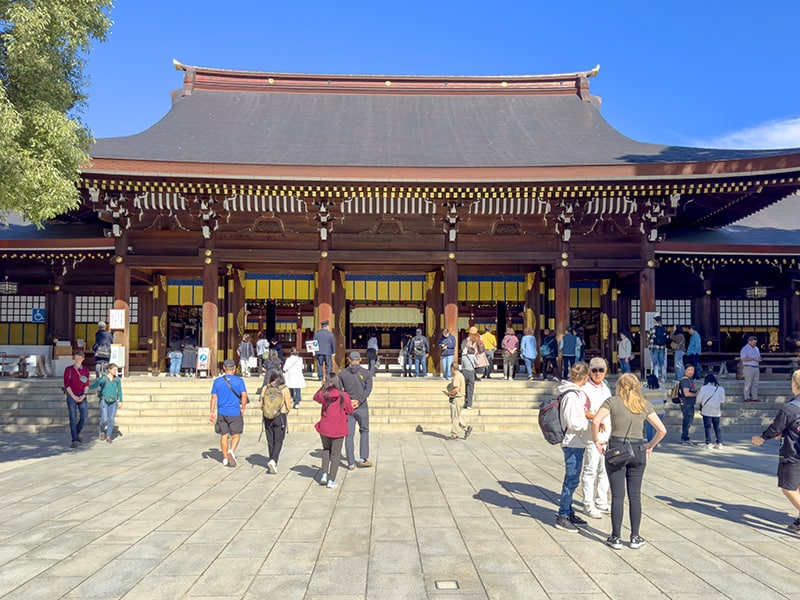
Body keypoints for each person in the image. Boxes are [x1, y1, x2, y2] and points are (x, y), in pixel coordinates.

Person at [592, 372, 667, 550]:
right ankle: (635, 536)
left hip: (617, 448)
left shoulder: (612, 401)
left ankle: (616, 537)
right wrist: (650, 445)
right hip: (639, 449)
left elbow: (596, 421)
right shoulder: (644, 404)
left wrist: (597, 440)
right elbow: (662, 430)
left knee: (617, 496)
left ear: (619, 386)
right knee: (635, 496)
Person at [751, 369, 800, 534]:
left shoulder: (790, 408)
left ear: (795, 384)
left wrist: (762, 438)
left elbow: (776, 427)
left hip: (793, 453)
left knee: (789, 488)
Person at [554, 361, 591, 532]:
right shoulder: (570, 395)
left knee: (573, 478)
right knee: (571, 479)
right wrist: (589, 425)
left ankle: (568, 511)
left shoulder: (574, 394)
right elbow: (572, 421)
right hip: (572, 440)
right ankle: (562, 514)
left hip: (577, 440)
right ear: (583, 377)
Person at [581, 357, 612, 519]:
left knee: (605, 469)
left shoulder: (606, 386)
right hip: (592, 434)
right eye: (594, 370)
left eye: (601, 370)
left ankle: (601, 500)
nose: (598, 373)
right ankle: (588, 503)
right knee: (590, 469)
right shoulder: (585, 388)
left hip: (607, 433)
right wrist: (596, 419)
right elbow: (582, 410)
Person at [313, 373, 354, 489]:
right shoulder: (343, 395)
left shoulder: (324, 394)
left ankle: (324, 474)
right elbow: (349, 410)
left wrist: (322, 387)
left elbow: (315, 397)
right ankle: (331, 480)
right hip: (338, 428)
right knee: (336, 454)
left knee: (326, 450)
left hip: (325, 427)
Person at [209, 359, 248, 467]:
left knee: (224, 435)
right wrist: (243, 408)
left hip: (222, 412)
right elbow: (244, 395)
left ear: (224, 368)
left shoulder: (217, 381)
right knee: (236, 435)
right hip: (235, 411)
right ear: (234, 368)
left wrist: (212, 412)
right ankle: (231, 450)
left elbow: (213, 397)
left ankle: (225, 458)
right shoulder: (239, 381)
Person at [339, 351, 373, 470]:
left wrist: (349, 401)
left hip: (348, 408)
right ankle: (363, 458)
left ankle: (350, 462)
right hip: (362, 406)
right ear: (360, 359)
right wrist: (358, 401)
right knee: (364, 431)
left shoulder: (342, 374)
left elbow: (339, 390)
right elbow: (368, 390)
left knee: (349, 435)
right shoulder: (366, 373)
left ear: (349, 360)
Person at [261, 372, 292, 474]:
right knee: (278, 440)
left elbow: (261, 403)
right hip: (280, 416)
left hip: (267, 416)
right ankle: (274, 460)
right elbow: (288, 405)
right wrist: (285, 411)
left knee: (270, 439)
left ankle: (271, 458)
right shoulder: (284, 389)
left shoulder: (266, 388)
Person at [89, 362, 123, 443]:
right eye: (114, 370)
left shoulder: (117, 380)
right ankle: (102, 431)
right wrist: (85, 386)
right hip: (104, 401)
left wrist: (121, 400)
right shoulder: (103, 379)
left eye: (116, 370)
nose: (115, 371)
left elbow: (120, 390)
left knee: (111, 419)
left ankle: (108, 436)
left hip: (113, 401)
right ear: (109, 370)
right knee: (104, 419)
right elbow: (95, 385)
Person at [64, 350, 90, 448]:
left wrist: (84, 395)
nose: (78, 359)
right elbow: (66, 384)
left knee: (84, 415)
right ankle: (74, 439)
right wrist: (73, 396)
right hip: (72, 395)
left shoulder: (86, 370)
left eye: (80, 358)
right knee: (72, 417)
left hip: (82, 394)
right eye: (76, 357)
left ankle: (77, 433)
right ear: (74, 358)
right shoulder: (69, 369)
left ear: (83, 359)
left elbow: (87, 384)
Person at [443, 363, 472, 440]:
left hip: (457, 398)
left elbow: (456, 390)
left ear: (452, 368)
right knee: (457, 416)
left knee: (454, 417)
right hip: (461, 398)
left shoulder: (456, 377)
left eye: (450, 369)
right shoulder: (461, 375)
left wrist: (448, 393)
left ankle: (454, 434)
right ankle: (466, 428)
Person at [697, 373, 726, 449]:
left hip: (706, 410)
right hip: (716, 411)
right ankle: (719, 442)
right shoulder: (720, 388)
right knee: (717, 427)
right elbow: (723, 400)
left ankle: (709, 443)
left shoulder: (704, 388)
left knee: (708, 427)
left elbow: (698, 399)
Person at [678, 364, 699, 445]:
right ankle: (684, 438)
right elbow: (686, 393)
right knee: (687, 421)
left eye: (692, 370)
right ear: (685, 371)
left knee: (688, 421)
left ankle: (685, 437)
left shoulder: (689, 380)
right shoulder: (685, 380)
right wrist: (696, 394)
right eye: (689, 370)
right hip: (687, 403)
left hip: (689, 403)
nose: (691, 372)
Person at [643, 374, 666, 444]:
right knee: (659, 427)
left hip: (649, 411)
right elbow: (665, 399)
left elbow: (641, 399)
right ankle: (658, 441)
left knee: (649, 427)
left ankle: (650, 441)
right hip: (660, 410)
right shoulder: (662, 388)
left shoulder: (644, 389)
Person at [740, 335, 762, 402]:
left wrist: (759, 359)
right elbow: (743, 359)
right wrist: (753, 359)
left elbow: (758, 356)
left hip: (756, 367)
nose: (754, 344)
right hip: (748, 367)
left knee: (755, 383)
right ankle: (746, 397)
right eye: (753, 342)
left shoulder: (756, 349)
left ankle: (754, 397)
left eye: (755, 342)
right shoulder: (745, 349)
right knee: (748, 383)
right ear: (749, 341)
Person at [648, 315, 668, 382]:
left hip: (654, 348)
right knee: (662, 363)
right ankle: (663, 377)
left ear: (655, 321)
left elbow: (648, 337)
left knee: (655, 364)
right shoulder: (664, 329)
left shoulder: (653, 329)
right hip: (662, 348)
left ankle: (656, 377)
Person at [460, 341, 477, 410]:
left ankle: (464, 403)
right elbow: (477, 363)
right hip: (471, 372)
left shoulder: (463, 357)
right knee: (470, 388)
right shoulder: (473, 356)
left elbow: (462, 365)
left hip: (464, 372)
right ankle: (469, 404)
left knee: (464, 388)